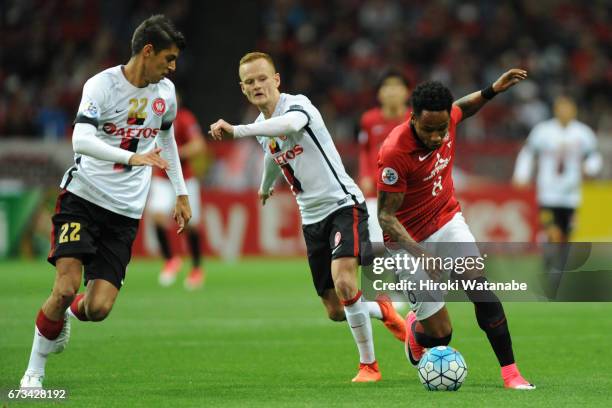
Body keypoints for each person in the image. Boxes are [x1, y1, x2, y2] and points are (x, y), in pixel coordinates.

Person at [209, 52, 406, 382]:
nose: (257, 85)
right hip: (311, 218)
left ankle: (369, 366)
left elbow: (288, 126)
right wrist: (265, 185)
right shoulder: (260, 128)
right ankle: (382, 309)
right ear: (242, 88)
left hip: (343, 204)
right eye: (250, 82)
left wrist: (237, 130)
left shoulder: (298, 105)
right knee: (333, 309)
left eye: (262, 78)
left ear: (276, 80)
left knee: (345, 281)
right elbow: (273, 154)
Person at [20, 15, 190, 390]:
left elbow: (167, 141)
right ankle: (34, 372)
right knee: (64, 287)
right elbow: (80, 141)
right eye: (169, 58)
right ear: (148, 51)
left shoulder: (165, 94)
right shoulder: (102, 86)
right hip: (83, 198)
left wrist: (181, 192)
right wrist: (133, 158)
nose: (172, 67)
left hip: (125, 212)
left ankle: (63, 314)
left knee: (97, 309)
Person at [376, 72, 536, 390]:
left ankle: (511, 374)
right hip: (408, 242)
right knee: (441, 334)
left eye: (441, 128)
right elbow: (385, 217)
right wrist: (423, 256)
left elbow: (465, 107)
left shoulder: (446, 119)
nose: (437, 137)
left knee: (481, 291)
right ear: (413, 119)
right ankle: (415, 330)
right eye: (428, 130)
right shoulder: (395, 153)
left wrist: (491, 90)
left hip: (447, 220)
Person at [512, 95, 602, 297]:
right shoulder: (543, 132)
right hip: (548, 194)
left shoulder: (583, 134)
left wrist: (590, 168)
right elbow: (528, 153)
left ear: (574, 110)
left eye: (568, 108)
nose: (564, 112)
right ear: (555, 110)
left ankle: (554, 277)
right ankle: (549, 269)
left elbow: (594, 157)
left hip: (571, 197)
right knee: (552, 234)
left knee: (565, 238)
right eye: (561, 108)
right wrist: (521, 174)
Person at [149, 92, 207, 289]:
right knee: (156, 216)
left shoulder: (184, 118)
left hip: (185, 179)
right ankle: (170, 260)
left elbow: (198, 145)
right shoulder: (151, 118)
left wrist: (174, 153)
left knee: (190, 224)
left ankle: (197, 268)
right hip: (161, 179)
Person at [358, 70, 411, 243]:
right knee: (377, 245)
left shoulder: (415, 119)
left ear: (407, 92)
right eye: (387, 86)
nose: (392, 91)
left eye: (397, 86)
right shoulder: (369, 120)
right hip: (377, 194)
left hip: (409, 195)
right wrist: (365, 175)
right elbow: (364, 150)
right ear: (379, 94)